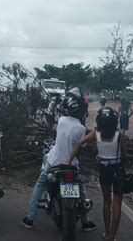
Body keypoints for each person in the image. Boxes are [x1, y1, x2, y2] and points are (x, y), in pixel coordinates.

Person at [22, 87, 96, 232]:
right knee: (81, 191)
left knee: (39, 186)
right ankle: (86, 221)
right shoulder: (80, 128)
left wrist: (56, 102)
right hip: (72, 165)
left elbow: (50, 115)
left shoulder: (62, 121)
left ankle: (30, 218)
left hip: (54, 162)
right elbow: (82, 147)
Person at [68, 106, 127, 241]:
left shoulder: (96, 134)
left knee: (107, 202)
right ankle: (112, 236)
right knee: (117, 203)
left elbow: (79, 144)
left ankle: (106, 233)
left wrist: (68, 161)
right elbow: (125, 155)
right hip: (118, 169)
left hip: (104, 170)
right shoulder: (119, 135)